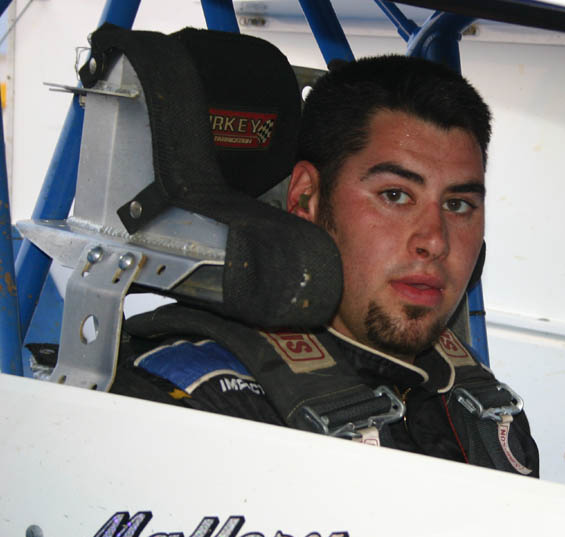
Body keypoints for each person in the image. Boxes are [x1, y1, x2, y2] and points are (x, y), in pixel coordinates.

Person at [110, 55, 540, 477]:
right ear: (306, 198)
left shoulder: (487, 414)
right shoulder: (194, 412)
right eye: (395, 195)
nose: (435, 241)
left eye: (458, 205)